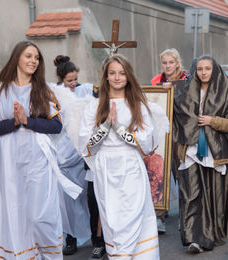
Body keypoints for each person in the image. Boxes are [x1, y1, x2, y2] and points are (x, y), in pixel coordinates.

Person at [78, 54, 159, 259]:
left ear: (128, 76)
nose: (117, 77)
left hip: (130, 165)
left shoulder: (138, 106)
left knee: (132, 215)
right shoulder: (93, 107)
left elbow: (146, 143)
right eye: (112, 73)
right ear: (105, 77)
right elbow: (86, 145)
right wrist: (106, 126)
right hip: (106, 169)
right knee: (112, 218)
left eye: (122, 73)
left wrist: (120, 129)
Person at [0, 41, 67, 259]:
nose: (33, 61)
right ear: (17, 57)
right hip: (9, 163)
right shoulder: (1, 90)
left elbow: (56, 126)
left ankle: (49, 255)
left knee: (40, 216)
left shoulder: (43, 90)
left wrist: (27, 121)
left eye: (36, 58)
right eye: (28, 56)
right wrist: (14, 123)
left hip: (38, 161)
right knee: (16, 213)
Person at [173, 55, 228, 253]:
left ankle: (209, 236)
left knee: (212, 193)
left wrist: (212, 121)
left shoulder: (226, 89)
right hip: (191, 149)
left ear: (214, 69)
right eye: (200, 69)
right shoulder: (185, 91)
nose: (203, 72)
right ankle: (193, 238)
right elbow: (174, 113)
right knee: (191, 193)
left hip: (215, 150)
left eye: (207, 68)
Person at [53, 55, 91, 255]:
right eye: (70, 81)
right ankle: (70, 236)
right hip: (63, 149)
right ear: (61, 79)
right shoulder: (54, 93)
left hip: (80, 150)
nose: (74, 83)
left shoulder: (84, 90)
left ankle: (91, 232)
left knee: (85, 195)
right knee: (67, 199)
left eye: (75, 79)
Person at [150, 48, 189, 234]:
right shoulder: (156, 81)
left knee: (181, 171)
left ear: (177, 63)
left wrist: (174, 89)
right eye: (164, 63)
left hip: (180, 132)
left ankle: (186, 214)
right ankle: (160, 215)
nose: (167, 66)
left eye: (171, 62)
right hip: (162, 131)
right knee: (161, 171)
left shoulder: (186, 80)